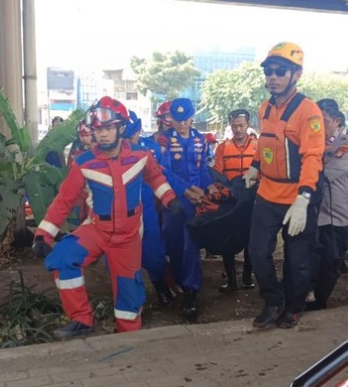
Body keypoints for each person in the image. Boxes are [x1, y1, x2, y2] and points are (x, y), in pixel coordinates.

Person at [32, 96, 183, 338]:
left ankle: (127, 340)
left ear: (120, 128)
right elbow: (64, 200)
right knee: (63, 258)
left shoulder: (141, 155)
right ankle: (81, 319)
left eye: (108, 128)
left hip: (128, 236)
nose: (102, 134)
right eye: (98, 129)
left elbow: (156, 178)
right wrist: (43, 235)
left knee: (129, 296)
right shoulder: (83, 163)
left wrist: (170, 199)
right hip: (96, 230)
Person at [242, 42, 325, 329]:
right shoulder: (265, 108)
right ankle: (273, 299)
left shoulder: (308, 111)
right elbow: (265, 144)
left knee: (298, 259)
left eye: (280, 71)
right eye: (269, 71)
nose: (273, 77)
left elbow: (313, 156)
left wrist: (304, 198)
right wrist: (254, 166)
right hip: (267, 193)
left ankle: (293, 306)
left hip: (297, 197)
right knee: (257, 252)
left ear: (296, 75)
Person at [123, 111, 198, 306]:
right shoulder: (109, 153)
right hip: (120, 212)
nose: (130, 140)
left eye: (133, 135)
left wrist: (185, 190)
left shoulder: (150, 150)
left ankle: (160, 286)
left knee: (154, 256)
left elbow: (164, 175)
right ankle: (131, 301)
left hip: (147, 209)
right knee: (123, 260)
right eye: (126, 136)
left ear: (139, 130)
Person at [158, 98, 216, 318]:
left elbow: (202, 170)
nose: (182, 123)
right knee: (174, 245)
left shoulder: (201, 140)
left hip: (196, 202)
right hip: (173, 202)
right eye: (177, 119)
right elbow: (165, 172)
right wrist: (188, 190)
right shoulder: (164, 141)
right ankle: (178, 281)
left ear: (192, 117)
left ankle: (191, 292)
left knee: (190, 246)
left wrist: (209, 186)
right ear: (171, 119)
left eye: (185, 119)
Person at [307, 99, 348, 311]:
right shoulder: (310, 143)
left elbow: (327, 173)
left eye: (323, 120)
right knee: (308, 260)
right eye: (315, 121)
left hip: (336, 217)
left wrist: (305, 175)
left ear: (337, 121)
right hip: (312, 215)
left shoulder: (347, 144)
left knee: (330, 264)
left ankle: (319, 304)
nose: (318, 125)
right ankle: (305, 299)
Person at [212, 109, 258, 291]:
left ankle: (247, 276)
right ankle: (231, 279)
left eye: (241, 125)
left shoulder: (259, 146)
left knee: (251, 240)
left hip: (252, 199)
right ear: (230, 126)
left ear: (248, 125)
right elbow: (217, 174)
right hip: (231, 201)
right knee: (227, 239)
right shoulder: (222, 148)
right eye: (234, 126)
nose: (238, 129)